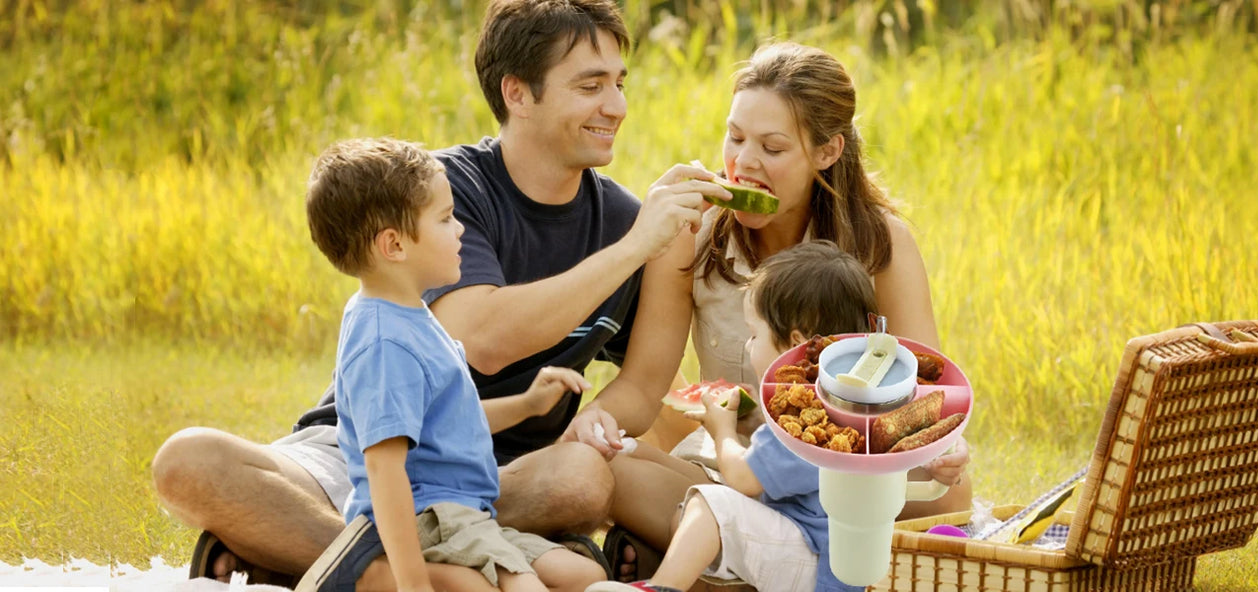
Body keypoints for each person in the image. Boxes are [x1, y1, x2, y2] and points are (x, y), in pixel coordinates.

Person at [150, 0, 728, 584]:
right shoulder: (440, 194)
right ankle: (395, 575)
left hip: (493, 474)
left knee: (581, 477)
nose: (617, 107)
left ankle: (289, 553)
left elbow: (648, 381)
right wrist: (634, 247)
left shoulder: (626, 219)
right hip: (359, 462)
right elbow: (482, 339)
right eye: (590, 86)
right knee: (189, 462)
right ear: (518, 94)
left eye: (619, 84)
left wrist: (597, 420)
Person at [559, 42, 973, 581]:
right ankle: (729, 555)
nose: (743, 162)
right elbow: (644, 385)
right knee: (599, 464)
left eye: (772, 148)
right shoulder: (693, 234)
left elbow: (927, 394)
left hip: (846, 483)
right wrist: (593, 424)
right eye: (734, 138)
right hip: (738, 472)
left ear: (827, 152)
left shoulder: (880, 244)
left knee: (950, 494)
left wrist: (936, 449)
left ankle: (703, 556)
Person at [292, 137, 603, 592]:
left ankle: (433, 577)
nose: (460, 230)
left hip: (466, 515)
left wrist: (527, 405)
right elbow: (384, 470)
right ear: (393, 245)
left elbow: (450, 420)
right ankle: (376, 577)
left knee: (585, 575)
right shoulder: (385, 342)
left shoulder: (412, 315)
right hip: (428, 519)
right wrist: (412, 584)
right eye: (445, 219)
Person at [589, 242, 963, 592]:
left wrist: (721, 430)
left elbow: (742, 478)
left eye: (754, 336)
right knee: (670, 487)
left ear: (796, 343)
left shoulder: (810, 418)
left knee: (712, 504)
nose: (750, 347)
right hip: (825, 554)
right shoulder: (860, 403)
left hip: (815, 564)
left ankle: (661, 587)